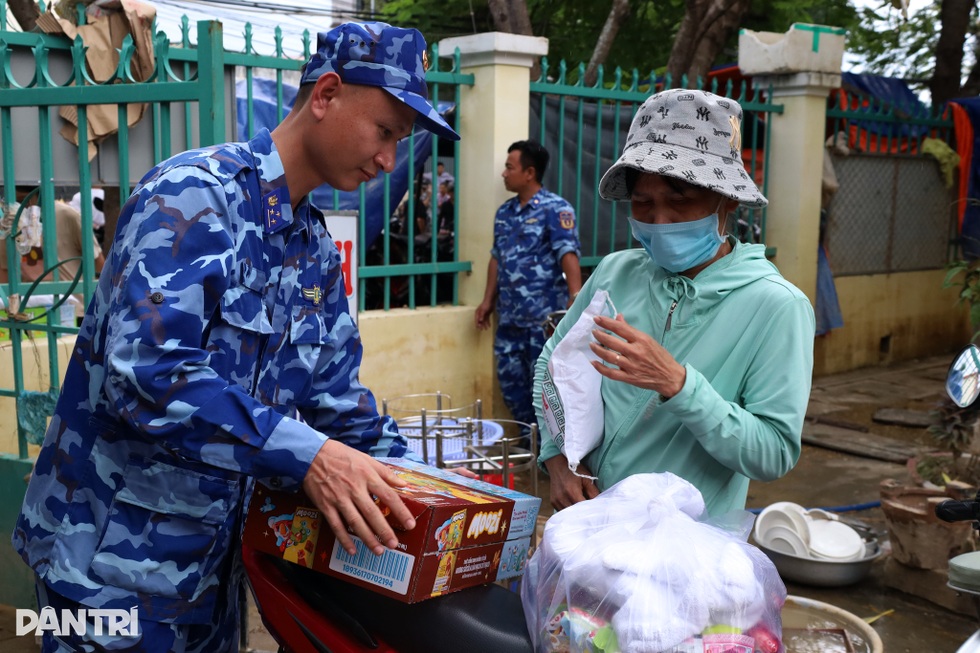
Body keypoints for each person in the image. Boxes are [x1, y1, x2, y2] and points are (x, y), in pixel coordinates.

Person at [13, 21, 459, 653]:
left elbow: (340, 408)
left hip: (214, 577)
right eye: (385, 131)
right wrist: (309, 455)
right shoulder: (194, 196)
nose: (391, 159)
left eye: (400, 140)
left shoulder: (314, 251)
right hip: (105, 573)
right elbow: (148, 374)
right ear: (326, 95)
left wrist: (441, 497)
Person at [535, 89, 815, 518]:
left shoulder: (776, 306)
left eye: (680, 200)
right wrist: (557, 459)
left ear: (727, 202)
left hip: (687, 555)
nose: (659, 221)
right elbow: (552, 365)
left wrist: (679, 385)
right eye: (643, 204)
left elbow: (772, 453)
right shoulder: (616, 273)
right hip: (592, 527)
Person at [476, 139, 582, 427]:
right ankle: (531, 445)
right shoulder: (505, 213)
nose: (504, 173)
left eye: (510, 167)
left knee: (547, 389)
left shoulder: (556, 209)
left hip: (542, 321)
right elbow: (496, 258)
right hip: (509, 318)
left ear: (529, 173)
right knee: (512, 387)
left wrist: (575, 295)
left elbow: (567, 253)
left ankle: (549, 454)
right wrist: (487, 301)